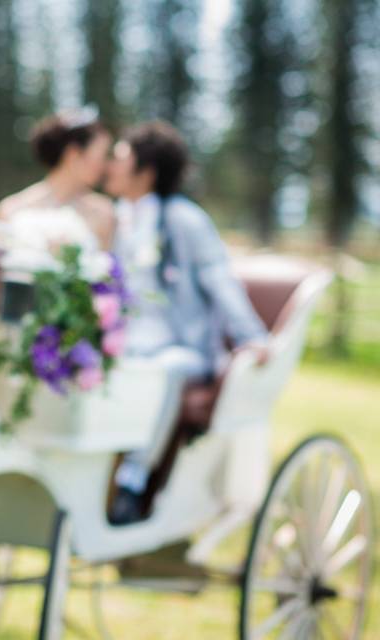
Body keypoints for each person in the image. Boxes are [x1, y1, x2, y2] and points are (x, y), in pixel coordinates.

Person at [103, 121, 269, 526]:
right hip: (127, 345)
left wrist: (251, 337)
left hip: (182, 349)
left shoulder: (183, 220)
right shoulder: (117, 219)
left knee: (161, 373)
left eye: (121, 159)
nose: (111, 166)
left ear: (146, 172)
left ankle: (133, 483)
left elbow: (219, 279)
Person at [0, 108, 116, 251]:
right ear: (73, 154)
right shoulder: (10, 209)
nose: (107, 165)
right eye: (103, 154)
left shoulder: (104, 212)